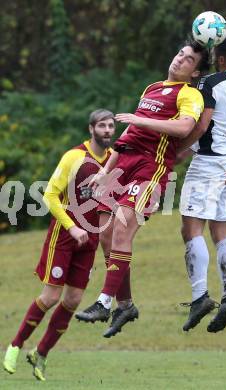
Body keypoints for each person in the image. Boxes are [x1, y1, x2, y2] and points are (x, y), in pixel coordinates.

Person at [75, 40, 210, 338]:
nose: (179, 60)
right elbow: (129, 135)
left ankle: (103, 302)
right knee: (107, 237)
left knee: (122, 229)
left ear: (195, 71)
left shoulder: (190, 94)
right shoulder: (152, 88)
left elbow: (186, 128)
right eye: (179, 54)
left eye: (188, 60)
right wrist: (105, 171)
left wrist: (141, 119)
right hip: (123, 165)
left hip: (150, 168)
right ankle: (125, 305)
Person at [3, 109, 115, 381]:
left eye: (111, 125)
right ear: (91, 129)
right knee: (51, 297)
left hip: (90, 239)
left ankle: (40, 354)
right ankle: (15, 345)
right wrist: (71, 226)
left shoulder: (114, 160)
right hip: (64, 235)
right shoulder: (74, 156)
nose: (108, 130)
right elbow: (50, 196)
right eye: (102, 125)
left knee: (74, 300)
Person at [179, 32, 226, 332]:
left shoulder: (212, 83)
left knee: (190, 227)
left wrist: (178, 150)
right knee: (221, 229)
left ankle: (199, 297)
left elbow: (202, 124)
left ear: (220, 59)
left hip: (210, 162)